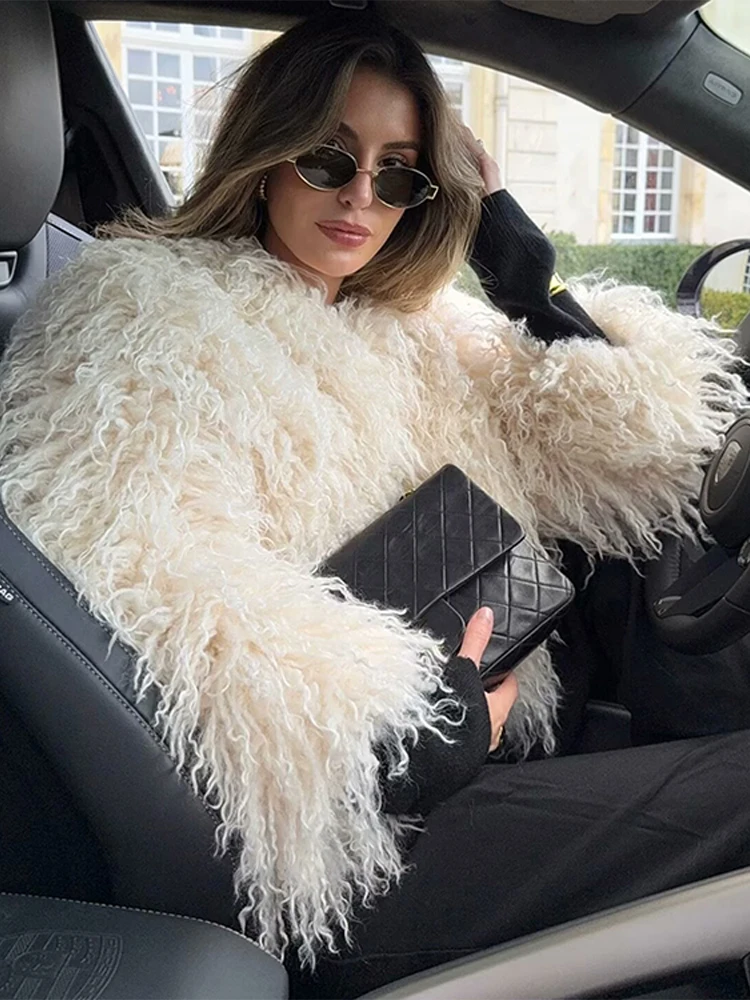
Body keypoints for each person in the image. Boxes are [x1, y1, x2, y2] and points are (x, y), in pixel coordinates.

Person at [1, 8, 749, 998]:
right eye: (328, 158)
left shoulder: (408, 327)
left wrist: (518, 270)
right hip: (347, 842)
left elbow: (631, 445)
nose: (362, 194)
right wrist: (424, 726)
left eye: (399, 174)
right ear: (266, 154)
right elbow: (160, 587)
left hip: (464, 750)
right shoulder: (144, 319)